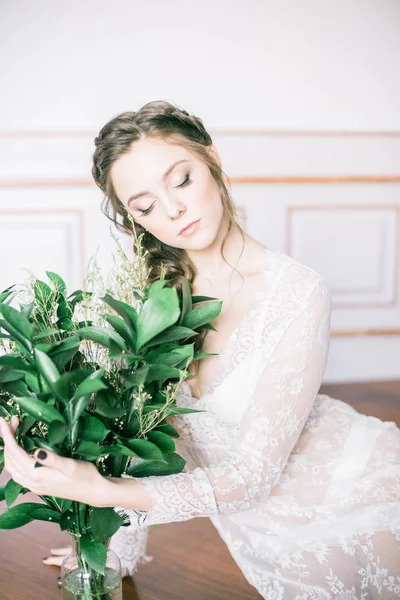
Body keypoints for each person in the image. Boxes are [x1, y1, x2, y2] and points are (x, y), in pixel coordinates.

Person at [1, 100, 400, 599]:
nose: (172, 210)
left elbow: (252, 477)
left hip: (345, 492)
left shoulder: (298, 292)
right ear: (134, 219)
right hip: (245, 524)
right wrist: (115, 546)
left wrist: (99, 492)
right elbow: (129, 433)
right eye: (144, 206)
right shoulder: (139, 297)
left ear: (211, 159)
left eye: (182, 180)